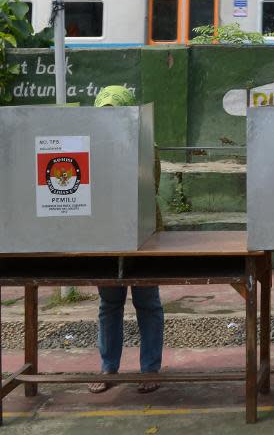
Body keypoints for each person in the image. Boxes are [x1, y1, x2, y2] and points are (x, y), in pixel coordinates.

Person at [88, 86, 165, 394]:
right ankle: (109, 367)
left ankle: (149, 370)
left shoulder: (145, 144)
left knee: (147, 301)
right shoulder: (88, 146)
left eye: (117, 113)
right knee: (109, 303)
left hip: (141, 233)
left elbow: (152, 186)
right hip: (104, 235)